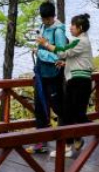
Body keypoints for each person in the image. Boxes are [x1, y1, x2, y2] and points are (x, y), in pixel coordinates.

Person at [38, 13, 93, 158]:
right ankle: (70, 145)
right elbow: (74, 58)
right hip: (78, 81)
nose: (70, 28)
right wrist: (65, 63)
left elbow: (62, 52)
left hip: (79, 81)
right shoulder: (80, 41)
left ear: (80, 27)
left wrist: (45, 44)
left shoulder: (80, 42)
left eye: (73, 25)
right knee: (72, 114)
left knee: (76, 115)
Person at [27, 0, 67, 154]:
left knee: (59, 108)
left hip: (53, 75)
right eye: (43, 19)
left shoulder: (58, 31)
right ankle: (41, 142)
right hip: (41, 73)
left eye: (46, 19)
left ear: (52, 17)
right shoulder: (43, 27)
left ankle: (74, 135)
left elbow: (60, 55)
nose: (44, 22)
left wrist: (40, 52)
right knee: (39, 107)